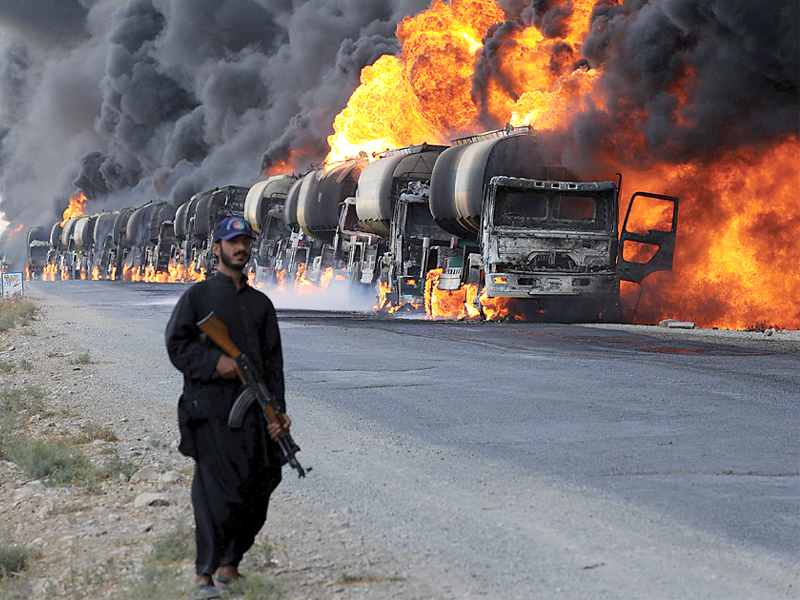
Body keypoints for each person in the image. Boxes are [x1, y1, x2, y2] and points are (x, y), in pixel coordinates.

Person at [165, 216, 291, 600]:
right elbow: (177, 345)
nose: (241, 248)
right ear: (216, 248)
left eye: (246, 242)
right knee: (214, 495)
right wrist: (213, 363)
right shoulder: (198, 298)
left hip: (254, 416)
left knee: (264, 482)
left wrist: (278, 411)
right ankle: (206, 573)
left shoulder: (261, 304)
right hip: (211, 413)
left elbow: (273, 365)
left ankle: (230, 564)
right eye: (233, 242)